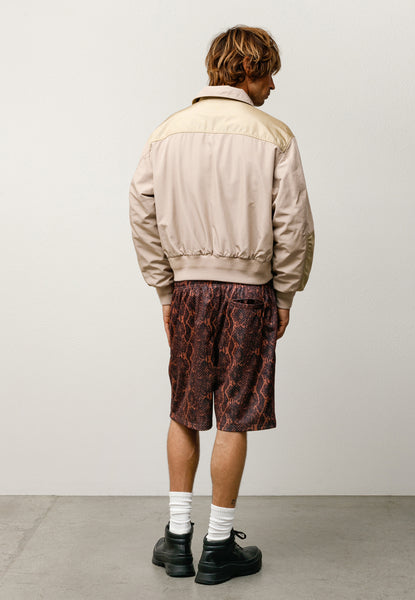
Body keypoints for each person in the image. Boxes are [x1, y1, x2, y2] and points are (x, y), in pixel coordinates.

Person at [128, 25, 315, 585]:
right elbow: (294, 225)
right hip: (249, 292)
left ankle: (177, 540)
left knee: (184, 409)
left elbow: (141, 211)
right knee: (235, 413)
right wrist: (285, 292)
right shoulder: (275, 136)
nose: (273, 86)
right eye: (269, 74)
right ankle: (217, 547)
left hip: (188, 290)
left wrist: (165, 288)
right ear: (247, 70)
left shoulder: (167, 132)